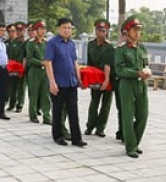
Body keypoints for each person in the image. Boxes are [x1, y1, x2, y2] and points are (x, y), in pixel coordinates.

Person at [44, 18, 86, 147]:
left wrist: (79, 79)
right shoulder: (52, 43)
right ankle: (58, 136)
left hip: (71, 83)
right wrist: (52, 82)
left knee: (73, 111)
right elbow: (48, 63)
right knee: (57, 111)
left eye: (69, 28)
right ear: (58, 29)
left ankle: (76, 138)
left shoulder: (71, 44)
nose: (67, 30)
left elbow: (74, 62)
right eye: (64, 27)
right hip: (58, 83)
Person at [114, 16, 150, 157]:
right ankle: (130, 147)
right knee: (128, 116)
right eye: (134, 30)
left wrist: (147, 71)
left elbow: (145, 63)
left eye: (139, 30)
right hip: (127, 84)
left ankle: (134, 141)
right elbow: (119, 70)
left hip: (141, 84)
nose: (137, 32)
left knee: (143, 114)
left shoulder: (142, 48)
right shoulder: (121, 50)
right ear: (127, 32)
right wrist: (137, 73)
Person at [85, 19, 114, 137]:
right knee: (94, 103)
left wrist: (106, 80)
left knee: (106, 105)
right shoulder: (90, 45)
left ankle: (100, 128)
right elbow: (89, 63)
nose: (101, 33)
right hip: (95, 77)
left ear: (107, 32)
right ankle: (90, 126)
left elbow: (108, 65)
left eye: (104, 31)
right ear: (95, 31)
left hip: (107, 78)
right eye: (99, 30)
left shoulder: (110, 47)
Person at [25, 20, 52, 124]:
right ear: (36, 30)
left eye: (44, 29)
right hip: (34, 71)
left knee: (46, 95)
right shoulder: (31, 43)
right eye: (41, 29)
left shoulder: (47, 43)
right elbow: (30, 58)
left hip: (45, 72)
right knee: (34, 94)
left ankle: (47, 116)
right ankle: (33, 115)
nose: (43, 31)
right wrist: (42, 62)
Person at [7, 22, 27, 112]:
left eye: (21, 30)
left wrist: (23, 68)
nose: (20, 32)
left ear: (24, 31)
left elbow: (26, 57)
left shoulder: (27, 42)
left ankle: (20, 105)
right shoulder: (13, 42)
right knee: (12, 87)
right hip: (14, 67)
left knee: (21, 87)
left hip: (23, 67)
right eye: (18, 30)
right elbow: (10, 56)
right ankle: (12, 104)